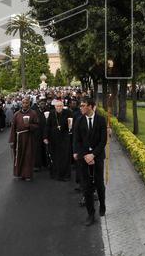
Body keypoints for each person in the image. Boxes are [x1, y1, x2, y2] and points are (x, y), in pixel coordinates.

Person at [73, 97, 107, 226]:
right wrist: (82, 154)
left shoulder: (101, 120)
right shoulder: (79, 120)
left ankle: (102, 205)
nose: (81, 107)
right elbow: (77, 140)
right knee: (86, 187)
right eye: (80, 105)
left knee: (99, 184)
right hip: (84, 158)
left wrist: (93, 155)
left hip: (97, 158)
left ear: (91, 106)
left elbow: (103, 141)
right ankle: (90, 214)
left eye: (83, 105)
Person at [9, 96, 40, 181]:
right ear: (21, 104)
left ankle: (27, 175)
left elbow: (37, 125)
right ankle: (19, 173)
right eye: (23, 103)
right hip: (19, 138)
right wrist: (11, 140)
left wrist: (29, 126)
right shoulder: (16, 114)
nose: (25, 104)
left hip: (29, 137)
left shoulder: (33, 113)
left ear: (29, 104)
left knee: (28, 156)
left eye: (26, 103)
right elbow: (13, 128)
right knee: (19, 156)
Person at [45, 98, 73, 181]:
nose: (59, 107)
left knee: (65, 157)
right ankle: (56, 174)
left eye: (61, 106)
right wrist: (45, 137)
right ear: (55, 107)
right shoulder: (51, 113)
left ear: (63, 106)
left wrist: (70, 127)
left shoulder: (68, 113)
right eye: (57, 106)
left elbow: (71, 124)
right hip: (54, 139)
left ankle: (66, 175)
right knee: (55, 157)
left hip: (65, 138)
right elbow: (47, 126)